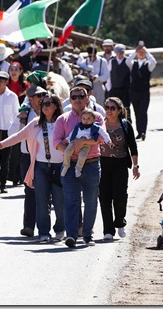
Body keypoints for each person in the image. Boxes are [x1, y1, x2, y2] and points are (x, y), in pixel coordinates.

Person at [0, 94, 66, 242]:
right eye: (42, 104)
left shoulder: (63, 123)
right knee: (41, 200)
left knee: (59, 202)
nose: (44, 106)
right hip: (40, 166)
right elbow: (17, 137)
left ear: (56, 106)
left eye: (48, 103)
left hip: (59, 167)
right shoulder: (35, 123)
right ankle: (44, 232)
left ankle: (60, 229)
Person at [53, 86, 105, 247]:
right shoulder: (63, 119)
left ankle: (88, 234)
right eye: (74, 97)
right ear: (69, 99)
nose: (77, 100)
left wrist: (82, 143)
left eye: (81, 96)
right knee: (71, 201)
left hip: (91, 164)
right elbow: (56, 141)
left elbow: (100, 138)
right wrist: (70, 150)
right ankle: (71, 235)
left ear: (87, 98)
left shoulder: (96, 117)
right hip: (70, 165)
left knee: (90, 201)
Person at [8, 85, 48, 237]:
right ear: (31, 99)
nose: (41, 98)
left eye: (43, 95)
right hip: (28, 157)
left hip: (46, 157)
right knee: (30, 191)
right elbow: (11, 133)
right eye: (38, 96)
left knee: (45, 192)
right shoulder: (25, 114)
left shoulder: (50, 110)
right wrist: (20, 120)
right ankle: (29, 226)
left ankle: (46, 226)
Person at [99, 97, 140, 241]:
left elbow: (133, 147)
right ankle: (108, 230)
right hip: (102, 164)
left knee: (120, 197)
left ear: (119, 110)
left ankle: (120, 222)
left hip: (120, 164)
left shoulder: (125, 125)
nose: (109, 111)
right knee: (104, 198)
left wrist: (135, 165)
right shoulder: (99, 124)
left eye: (112, 108)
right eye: (107, 107)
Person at [61, 108, 114, 178]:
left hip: (86, 143)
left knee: (83, 156)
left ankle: (78, 168)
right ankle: (66, 165)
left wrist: (108, 141)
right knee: (67, 152)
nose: (86, 121)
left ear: (93, 119)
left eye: (88, 118)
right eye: (84, 118)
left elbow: (104, 134)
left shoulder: (96, 127)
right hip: (75, 140)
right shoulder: (78, 126)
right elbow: (72, 133)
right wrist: (67, 140)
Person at [126, 42, 157, 141]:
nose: (140, 53)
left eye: (142, 52)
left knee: (143, 111)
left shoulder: (148, 64)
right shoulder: (133, 64)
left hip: (144, 91)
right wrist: (135, 51)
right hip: (134, 91)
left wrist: (146, 51)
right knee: (136, 111)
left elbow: (153, 61)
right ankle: (139, 131)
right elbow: (128, 60)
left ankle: (143, 131)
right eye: (139, 52)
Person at [107, 44, 131, 122]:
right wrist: (109, 88)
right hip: (114, 88)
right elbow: (109, 75)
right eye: (117, 53)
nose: (119, 55)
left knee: (126, 107)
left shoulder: (127, 61)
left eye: (121, 53)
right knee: (114, 107)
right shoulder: (112, 61)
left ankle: (127, 122)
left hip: (125, 89)